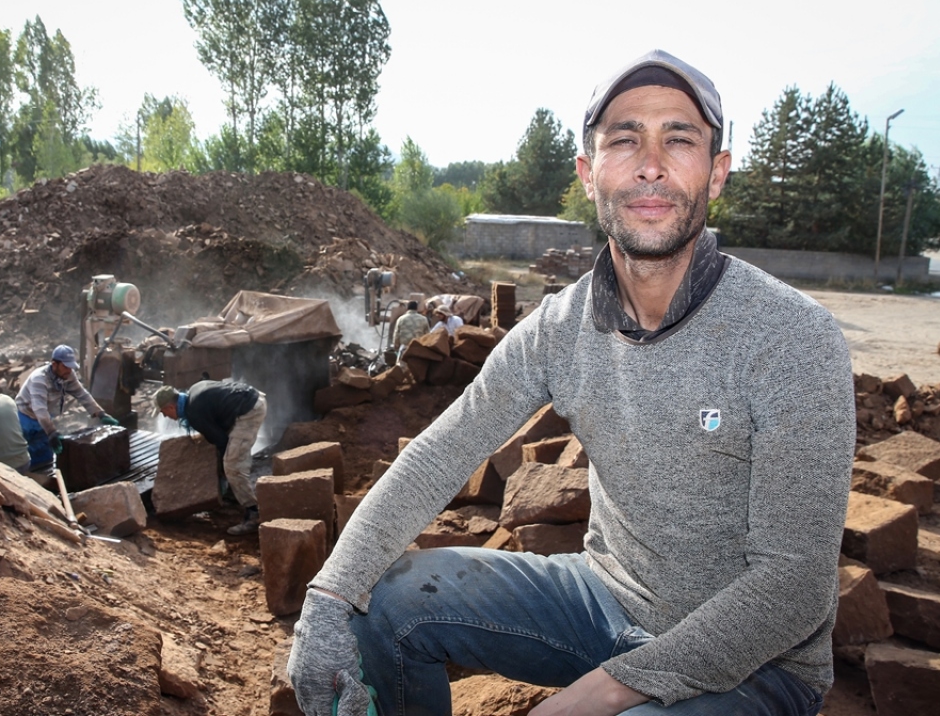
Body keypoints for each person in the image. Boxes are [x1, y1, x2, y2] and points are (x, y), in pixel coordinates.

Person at [288, 49, 856, 716]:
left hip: (759, 664)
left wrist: (596, 694)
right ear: (588, 174)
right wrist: (325, 603)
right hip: (604, 599)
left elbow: (793, 588)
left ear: (718, 172)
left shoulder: (791, 336)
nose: (651, 161)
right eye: (625, 139)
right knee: (390, 602)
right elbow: (438, 455)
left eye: (680, 138)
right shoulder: (560, 328)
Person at [155, 380, 267, 535]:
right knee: (230, 457)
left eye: (163, 412)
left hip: (249, 410)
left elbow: (221, 441)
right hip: (251, 397)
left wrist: (222, 469)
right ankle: (233, 493)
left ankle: (254, 513)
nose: (165, 416)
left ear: (170, 407)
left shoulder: (194, 413)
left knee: (232, 464)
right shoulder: (193, 392)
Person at [15, 344, 118, 472]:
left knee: (44, 456)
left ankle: (41, 482)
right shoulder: (39, 379)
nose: (69, 370)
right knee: (22, 455)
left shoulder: (68, 375)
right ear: (54, 364)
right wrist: (52, 432)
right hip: (25, 416)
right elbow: (39, 409)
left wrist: (100, 413)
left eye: (71, 366)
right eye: (65, 366)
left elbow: (82, 394)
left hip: (45, 416)